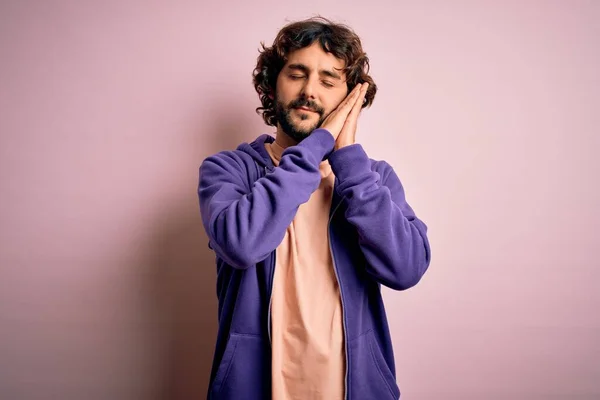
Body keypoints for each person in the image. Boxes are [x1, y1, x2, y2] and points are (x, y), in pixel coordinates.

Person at [198, 16, 431, 400]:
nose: (310, 91)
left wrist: (350, 161)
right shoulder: (228, 171)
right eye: (297, 74)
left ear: (348, 99)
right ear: (272, 86)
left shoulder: (372, 179)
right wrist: (321, 140)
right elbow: (241, 243)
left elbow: (406, 269)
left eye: (328, 81)